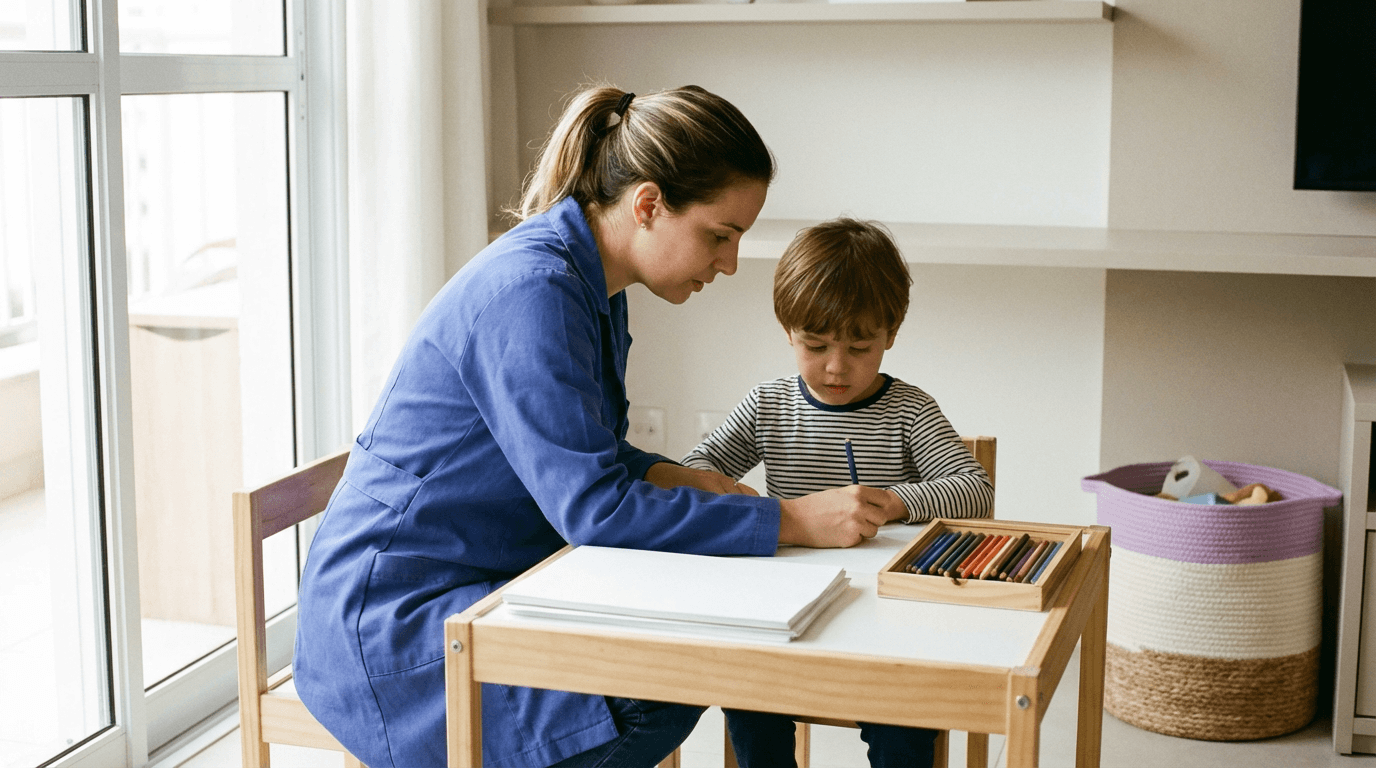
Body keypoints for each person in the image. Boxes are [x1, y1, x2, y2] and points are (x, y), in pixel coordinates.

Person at [293, 86, 898, 768]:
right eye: (719, 235)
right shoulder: (533, 294)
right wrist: (789, 519)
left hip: (490, 577)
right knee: (666, 689)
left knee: (685, 652)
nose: (730, 263)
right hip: (398, 623)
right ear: (648, 205)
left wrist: (662, 472)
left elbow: (581, 450)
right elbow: (593, 508)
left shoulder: (592, 287)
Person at [682, 217, 995, 768]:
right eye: (816, 344)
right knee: (749, 700)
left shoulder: (908, 410)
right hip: (786, 618)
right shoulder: (770, 405)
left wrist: (896, 502)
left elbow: (975, 490)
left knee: (904, 729)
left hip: (886, 626)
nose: (835, 366)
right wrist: (742, 497)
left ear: (891, 333)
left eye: (860, 346)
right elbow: (694, 467)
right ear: (788, 331)